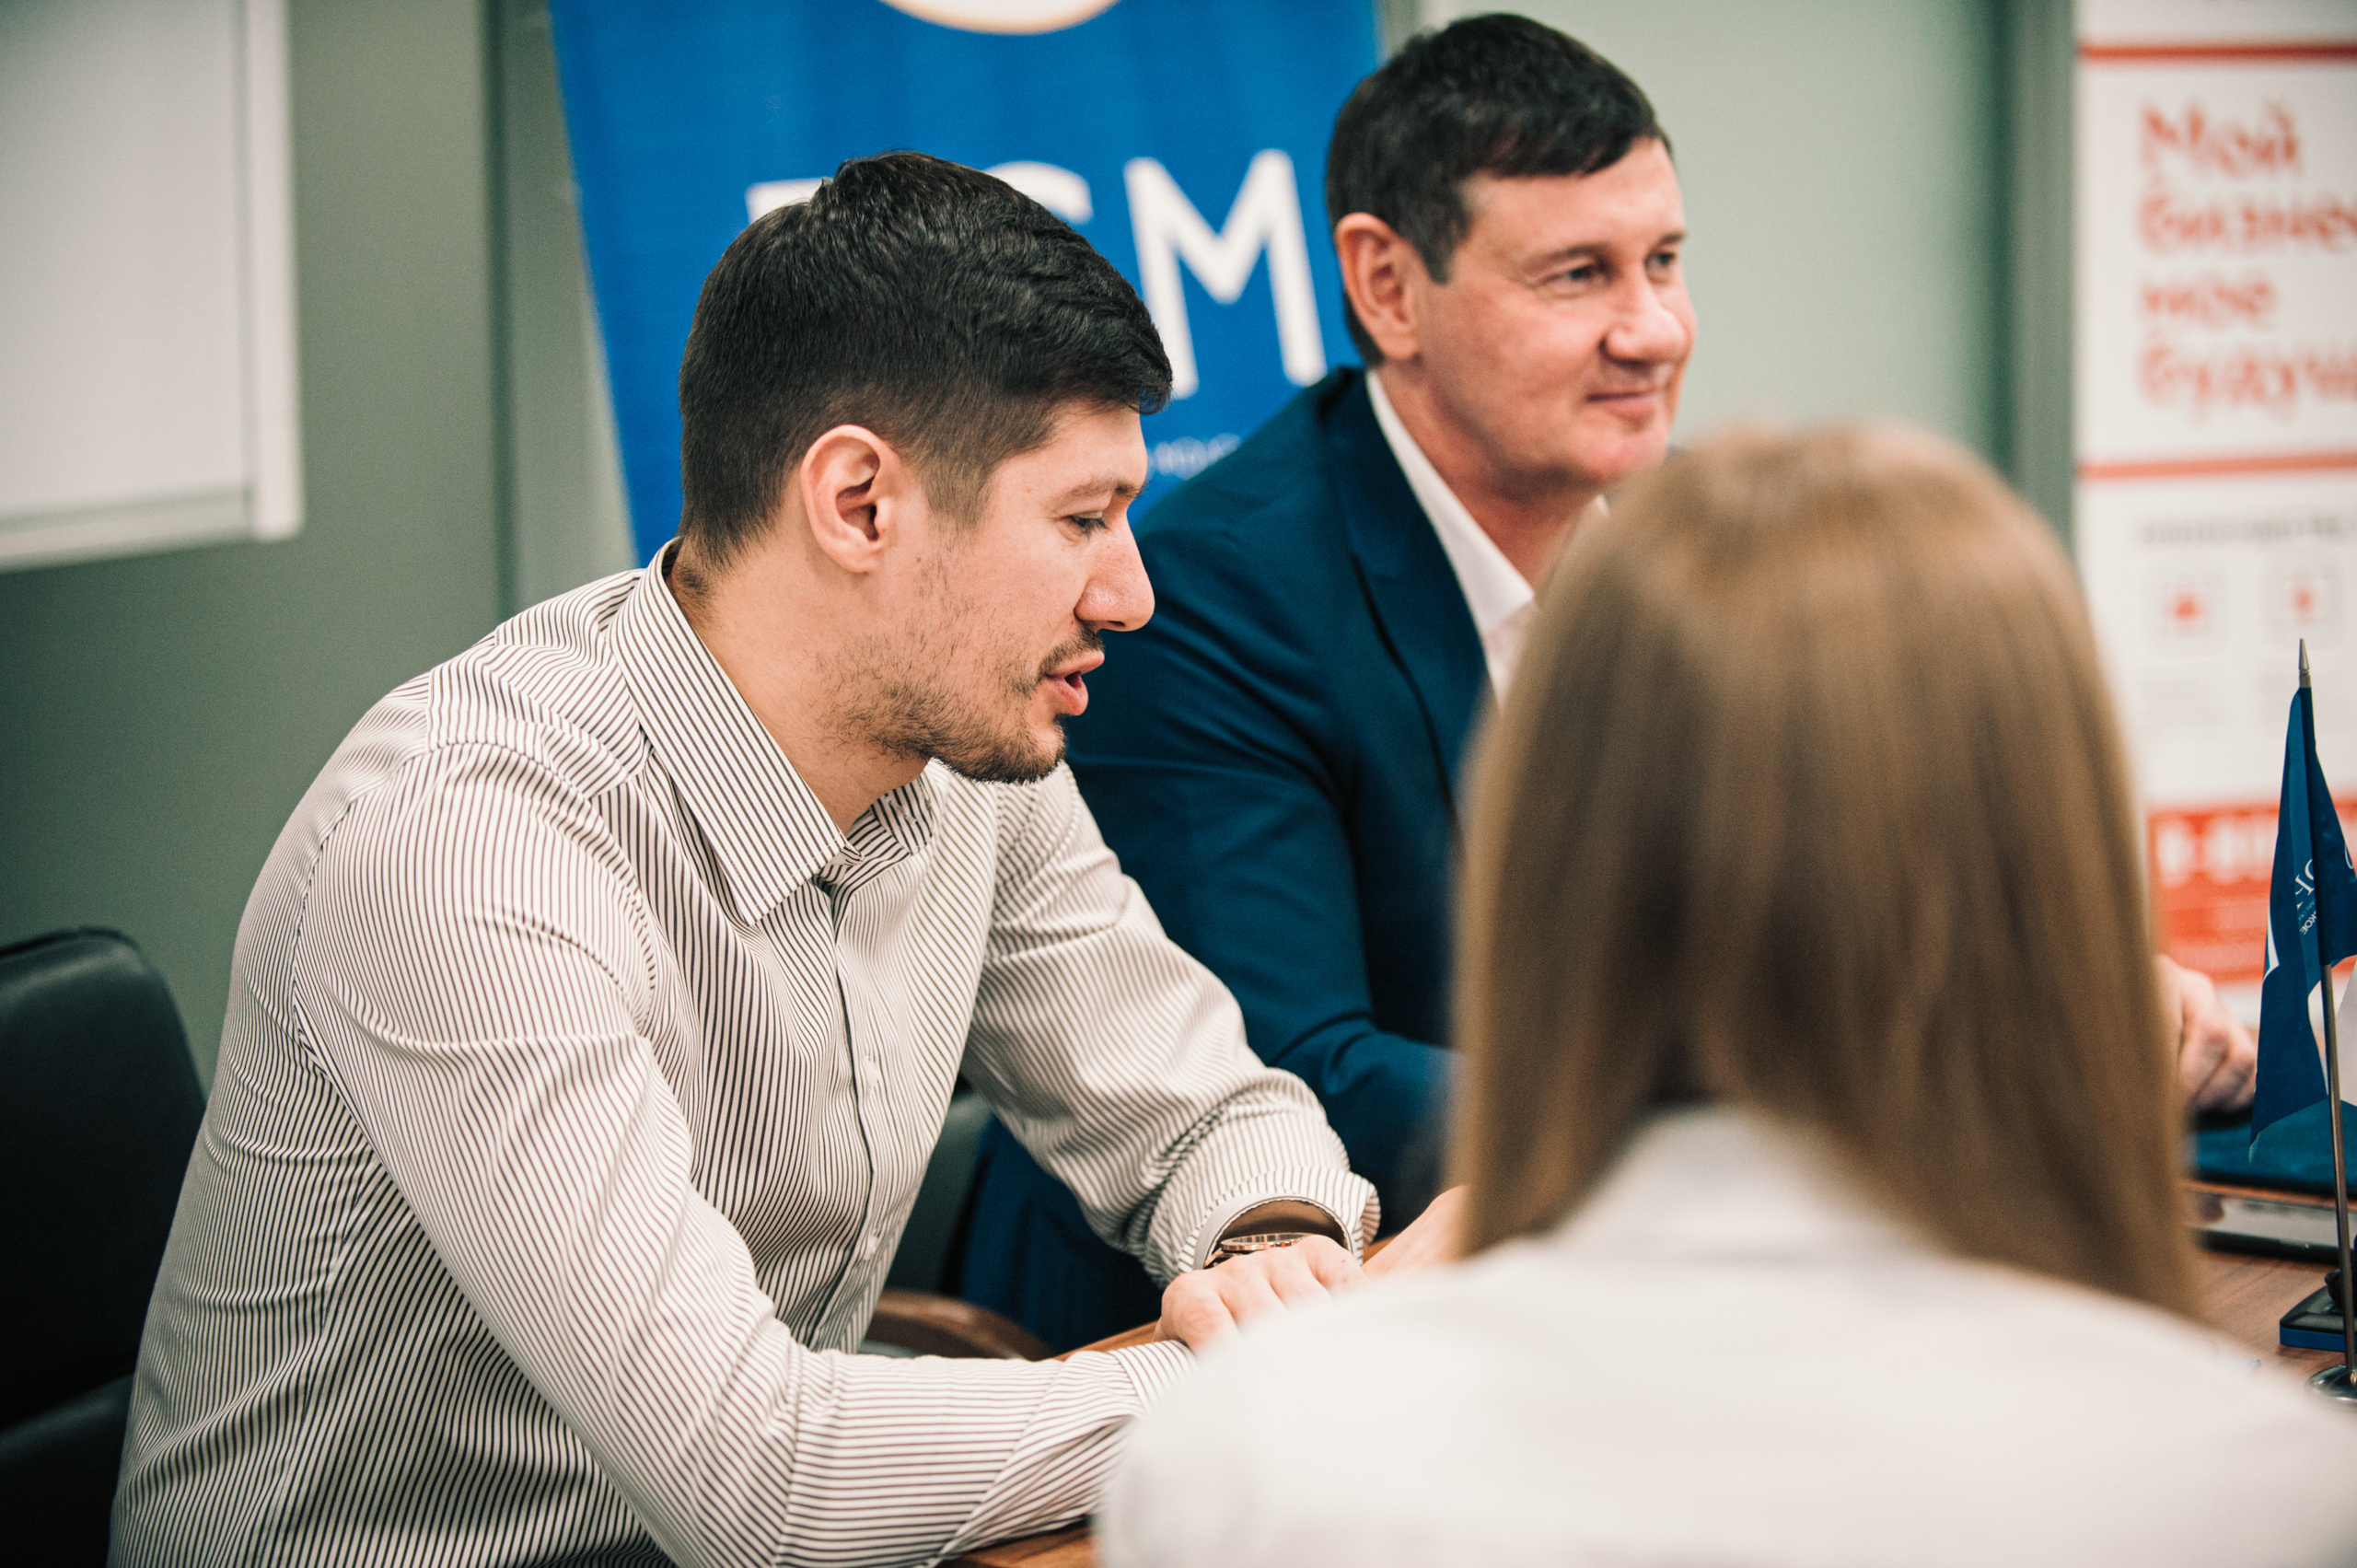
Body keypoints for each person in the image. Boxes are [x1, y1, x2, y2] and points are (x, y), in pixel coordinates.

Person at [110, 152, 1450, 1568]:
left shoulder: (962, 747)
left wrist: (1275, 1251)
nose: (1130, 593)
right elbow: (759, 1479)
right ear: (861, 503)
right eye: (1080, 520)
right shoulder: (469, 853)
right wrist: (1273, 1380)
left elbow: (1197, 1111)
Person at [957, 10, 2257, 1353]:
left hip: (1627, 1302)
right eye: (1579, 276)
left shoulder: (1704, 542)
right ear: (1387, 287)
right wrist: (1772, 1130)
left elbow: (1841, 915)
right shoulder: (1213, 591)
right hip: (1211, 1355)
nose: (1653, 332)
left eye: (1667, 262)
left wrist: (2056, 1012)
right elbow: (1305, 1073)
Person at [1097, 424, 2357, 1568]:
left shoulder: (1236, 1463)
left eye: (1664, 261)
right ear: (2049, 866)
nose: (1648, 327)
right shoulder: (2267, 1496)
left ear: (1548, 852)